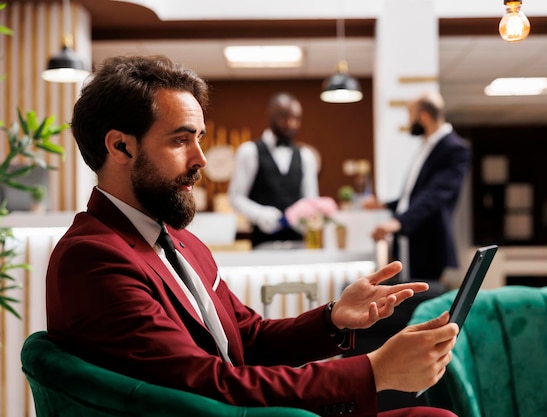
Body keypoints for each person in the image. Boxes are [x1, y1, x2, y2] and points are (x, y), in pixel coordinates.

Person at [46, 55, 459, 417]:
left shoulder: (182, 242)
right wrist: (373, 372)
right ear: (120, 146)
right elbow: (207, 384)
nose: (201, 159)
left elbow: (248, 337)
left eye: (199, 139)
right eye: (180, 140)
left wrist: (332, 317)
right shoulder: (92, 258)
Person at [364, 91, 470, 282]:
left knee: (423, 304)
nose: (409, 121)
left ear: (424, 116)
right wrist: (385, 205)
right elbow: (412, 197)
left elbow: (435, 195)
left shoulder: (454, 148)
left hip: (429, 245)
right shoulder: (427, 146)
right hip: (409, 242)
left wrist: (399, 222)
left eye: (410, 115)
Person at [228, 92, 319, 247]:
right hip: (262, 244)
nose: (291, 124)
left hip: (298, 244)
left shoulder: (306, 156)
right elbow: (235, 197)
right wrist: (259, 214)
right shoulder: (249, 151)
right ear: (271, 116)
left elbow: (312, 200)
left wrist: (303, 216)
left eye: (296, 119)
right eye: (285, 117)